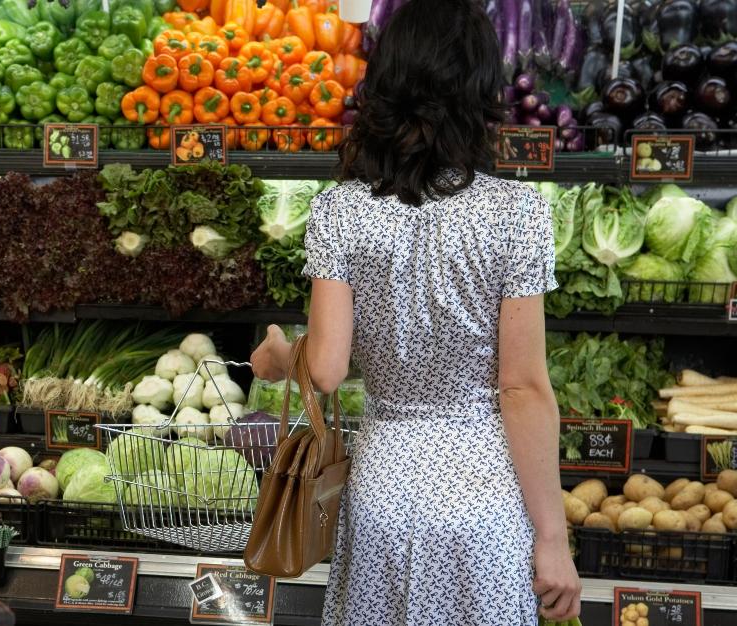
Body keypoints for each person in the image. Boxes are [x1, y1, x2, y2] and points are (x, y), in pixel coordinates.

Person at [249, 0, 581, 622]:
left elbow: (324, 368)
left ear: (386, 84)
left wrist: (277, 357)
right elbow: (523, 388)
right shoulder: (517, 213)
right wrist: (554, 539)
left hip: (381, 491)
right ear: (481, 90)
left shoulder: (341, 210)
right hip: (484, 498)